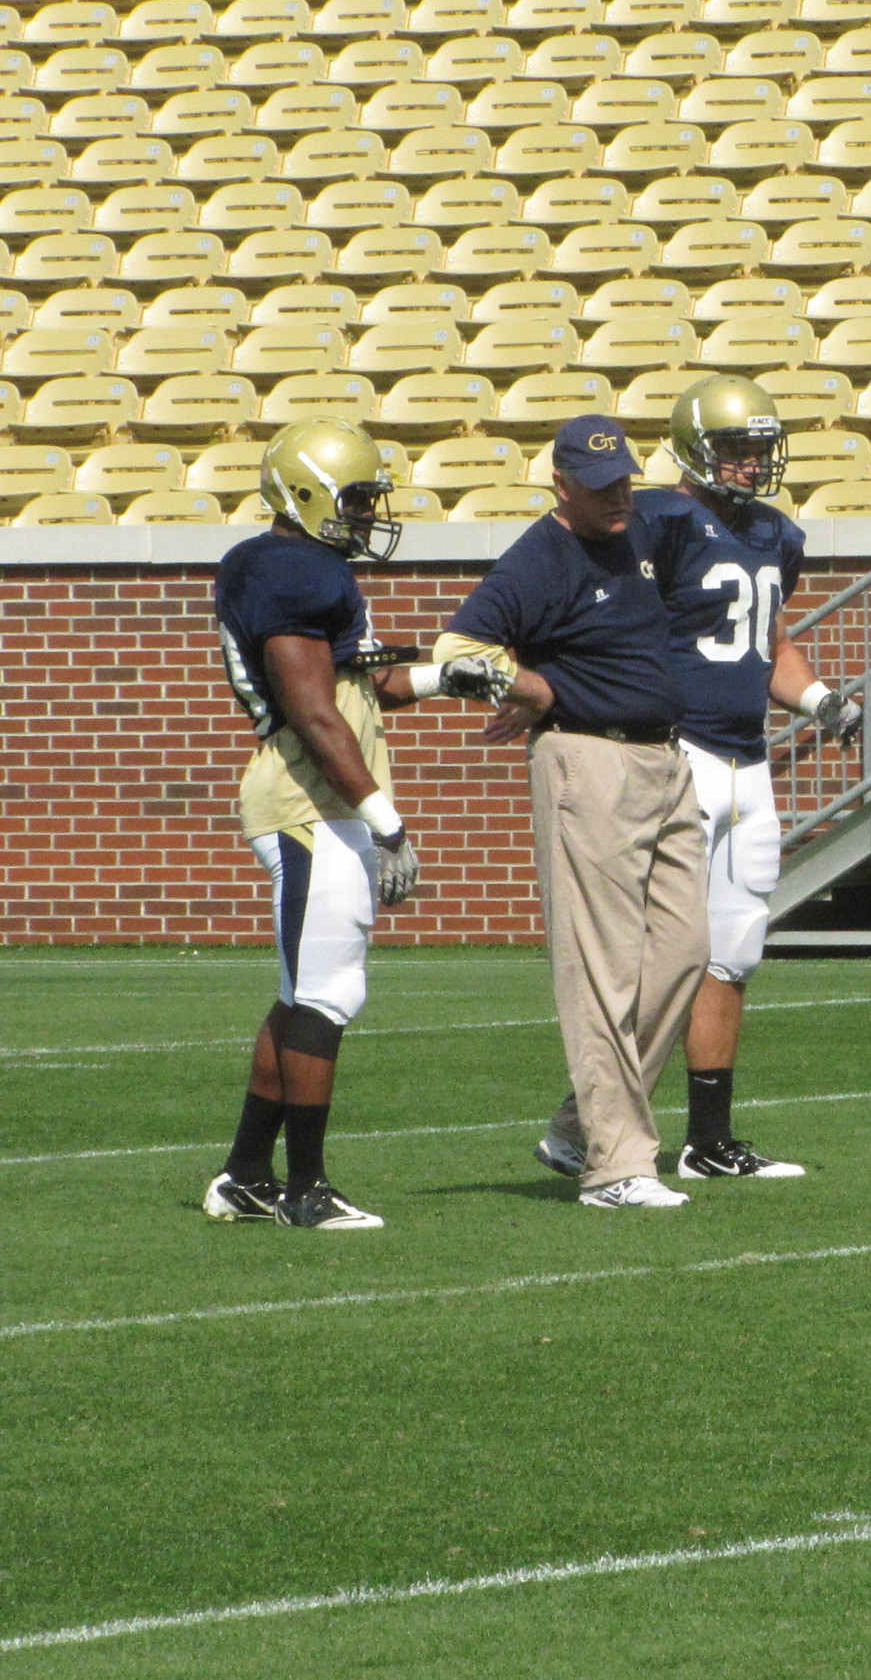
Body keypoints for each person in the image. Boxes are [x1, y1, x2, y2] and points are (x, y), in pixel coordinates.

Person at [204, 420, 509, 1230]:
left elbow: (359, 692)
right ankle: (305, 1188)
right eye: (355, 500)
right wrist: (390, 824)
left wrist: (449, 676)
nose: (365, 515)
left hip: (319, 798)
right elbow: (312, 711)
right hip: (312, 800)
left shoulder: (302, 567)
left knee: (300, 993)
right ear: (305, 494)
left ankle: (244, 1174)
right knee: (329, 994)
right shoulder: (286, 568)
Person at [434, 416, 709, 1210]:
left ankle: (576, 1126)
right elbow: (459, 650)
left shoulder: (645, 525)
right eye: (598, 487)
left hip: (665, 757)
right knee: (601, 968)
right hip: (588, 761)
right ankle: (618, 1166)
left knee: (686, 953)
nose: (616, 495)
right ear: (561, 485)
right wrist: (537, 690)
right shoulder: (539, 556)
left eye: (623, 478)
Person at [632, 373, 861, 1179]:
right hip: (678, 751)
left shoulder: (775, 534)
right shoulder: (657, 520)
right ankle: (599, 1123)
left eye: (759, 447)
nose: (751, 462)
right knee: (661, 951)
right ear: (696, 447)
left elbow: (766, 643)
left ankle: (708, 1140)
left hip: (749, 760)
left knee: (734, 950)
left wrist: (822, 699)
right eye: (736, 447)